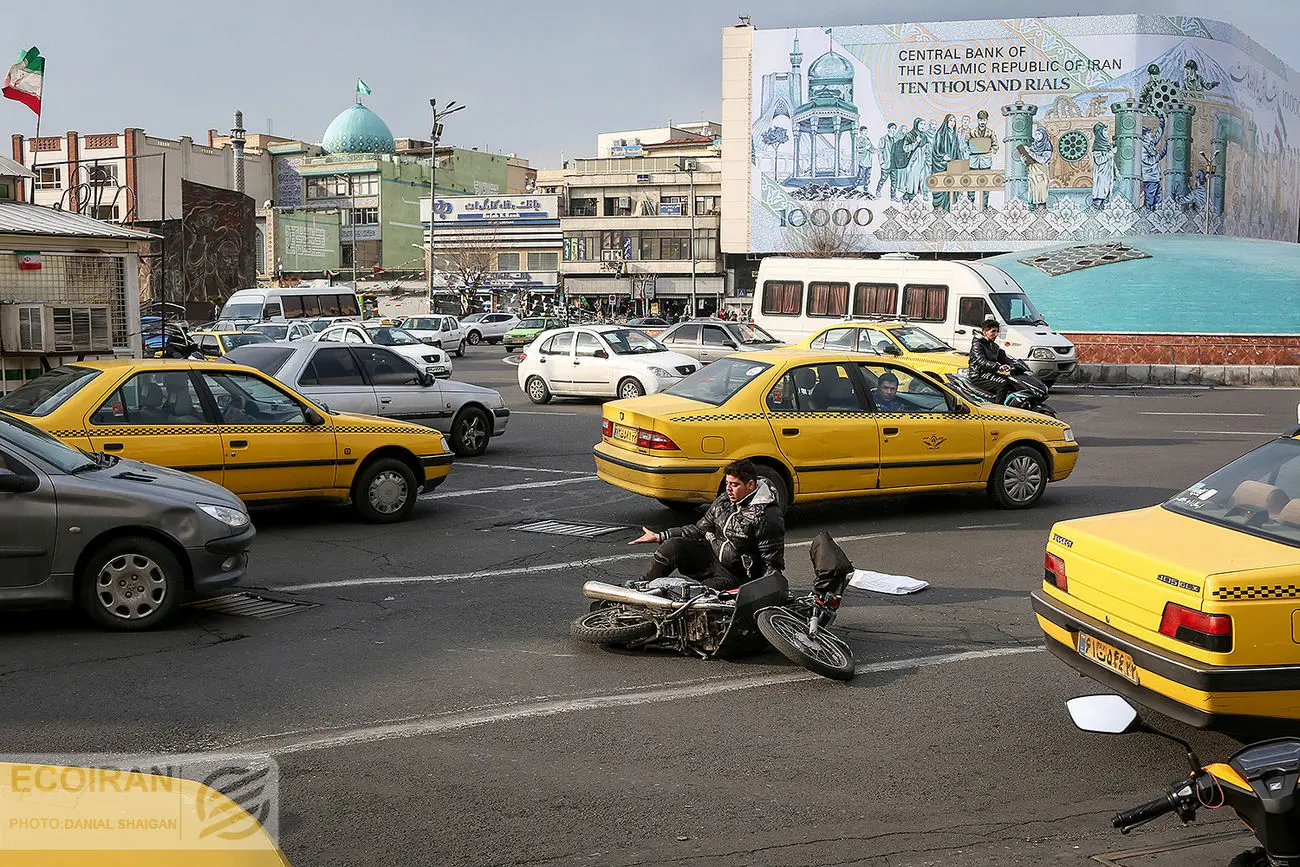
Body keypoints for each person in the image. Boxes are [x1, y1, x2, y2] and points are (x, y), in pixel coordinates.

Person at [630, 458, 784, 591]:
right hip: (712, 557)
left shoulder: (767, 516)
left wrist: (762, 594)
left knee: (699, 596)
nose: (728, 489)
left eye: (735, 485)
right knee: (672, 546)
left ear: (750, 485)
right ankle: (641, 587)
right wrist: (659, 536)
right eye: (727, 483)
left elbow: (772, 564)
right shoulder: (724, 500)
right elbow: (700, 529)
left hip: (737, 576)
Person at [968, 318, 1019, 404]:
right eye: (993, 331)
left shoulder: (993, 345)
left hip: (990, 373)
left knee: (1012, 381)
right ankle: (998, 409)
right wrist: (998, 367)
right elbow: (981, 361)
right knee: (1003, 384)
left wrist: (1013, 365)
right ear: (985, 332)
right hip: (978, 374)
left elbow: (1003, 358)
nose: (996, 334)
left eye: (997, 331)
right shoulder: (977, 345)